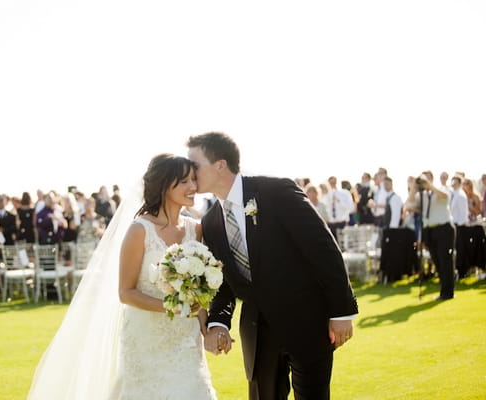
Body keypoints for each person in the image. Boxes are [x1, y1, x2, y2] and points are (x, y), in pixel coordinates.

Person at [27, 154, 217, 399]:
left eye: (193, 179)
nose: (193, 187)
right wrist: (171, 307)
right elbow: (125, 292)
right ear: (163, 185)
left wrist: (202, 315)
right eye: (184, 181)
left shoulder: (196, 229)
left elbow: (198, 288)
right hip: (147, 337)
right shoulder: (140, 230)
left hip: (186, 341)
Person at [187, 132, 358, 400]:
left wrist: (342, 311)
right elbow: (222, 281)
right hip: (257, 332)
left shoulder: (276, 191)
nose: (189, 172)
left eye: (194, 165)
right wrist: (218, 322)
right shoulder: (210, 222)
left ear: (220, 164)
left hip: (306, 323)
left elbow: (323, 249)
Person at [411, 171, 455, 300]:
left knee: (445, 260)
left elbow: (444, 197)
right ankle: (443, 291)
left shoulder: (442, 189)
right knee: (437, 261)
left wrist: (430, 186)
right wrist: (414, 187)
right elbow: (410, 202)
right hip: (430, 231)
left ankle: (448, 292)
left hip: (444, 228)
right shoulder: (422, 195)